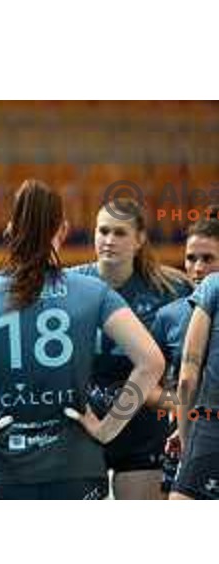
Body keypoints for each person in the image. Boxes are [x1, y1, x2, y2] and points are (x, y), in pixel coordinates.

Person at [0, 180, 165, 500]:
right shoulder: (92, 291)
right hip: (76, 467)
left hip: (5, 470)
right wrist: (108, 427)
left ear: (10, 229)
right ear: (61, 230)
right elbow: (152, 362)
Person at [73, 197, 191, 499]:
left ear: (140, 239)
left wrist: (174, 403)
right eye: (103, 231)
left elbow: (189, 364)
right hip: (83, 426)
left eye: (120, 233)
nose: (108, 240)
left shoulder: (170, 289)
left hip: (143, 430)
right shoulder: (69, 284)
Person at [151, 211, 219, 494]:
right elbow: (146, 385)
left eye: (208, 259)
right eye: (192, 258)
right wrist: (184, 412)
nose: (198, 267)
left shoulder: (213, 293)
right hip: (191, 431)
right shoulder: (168, 316)